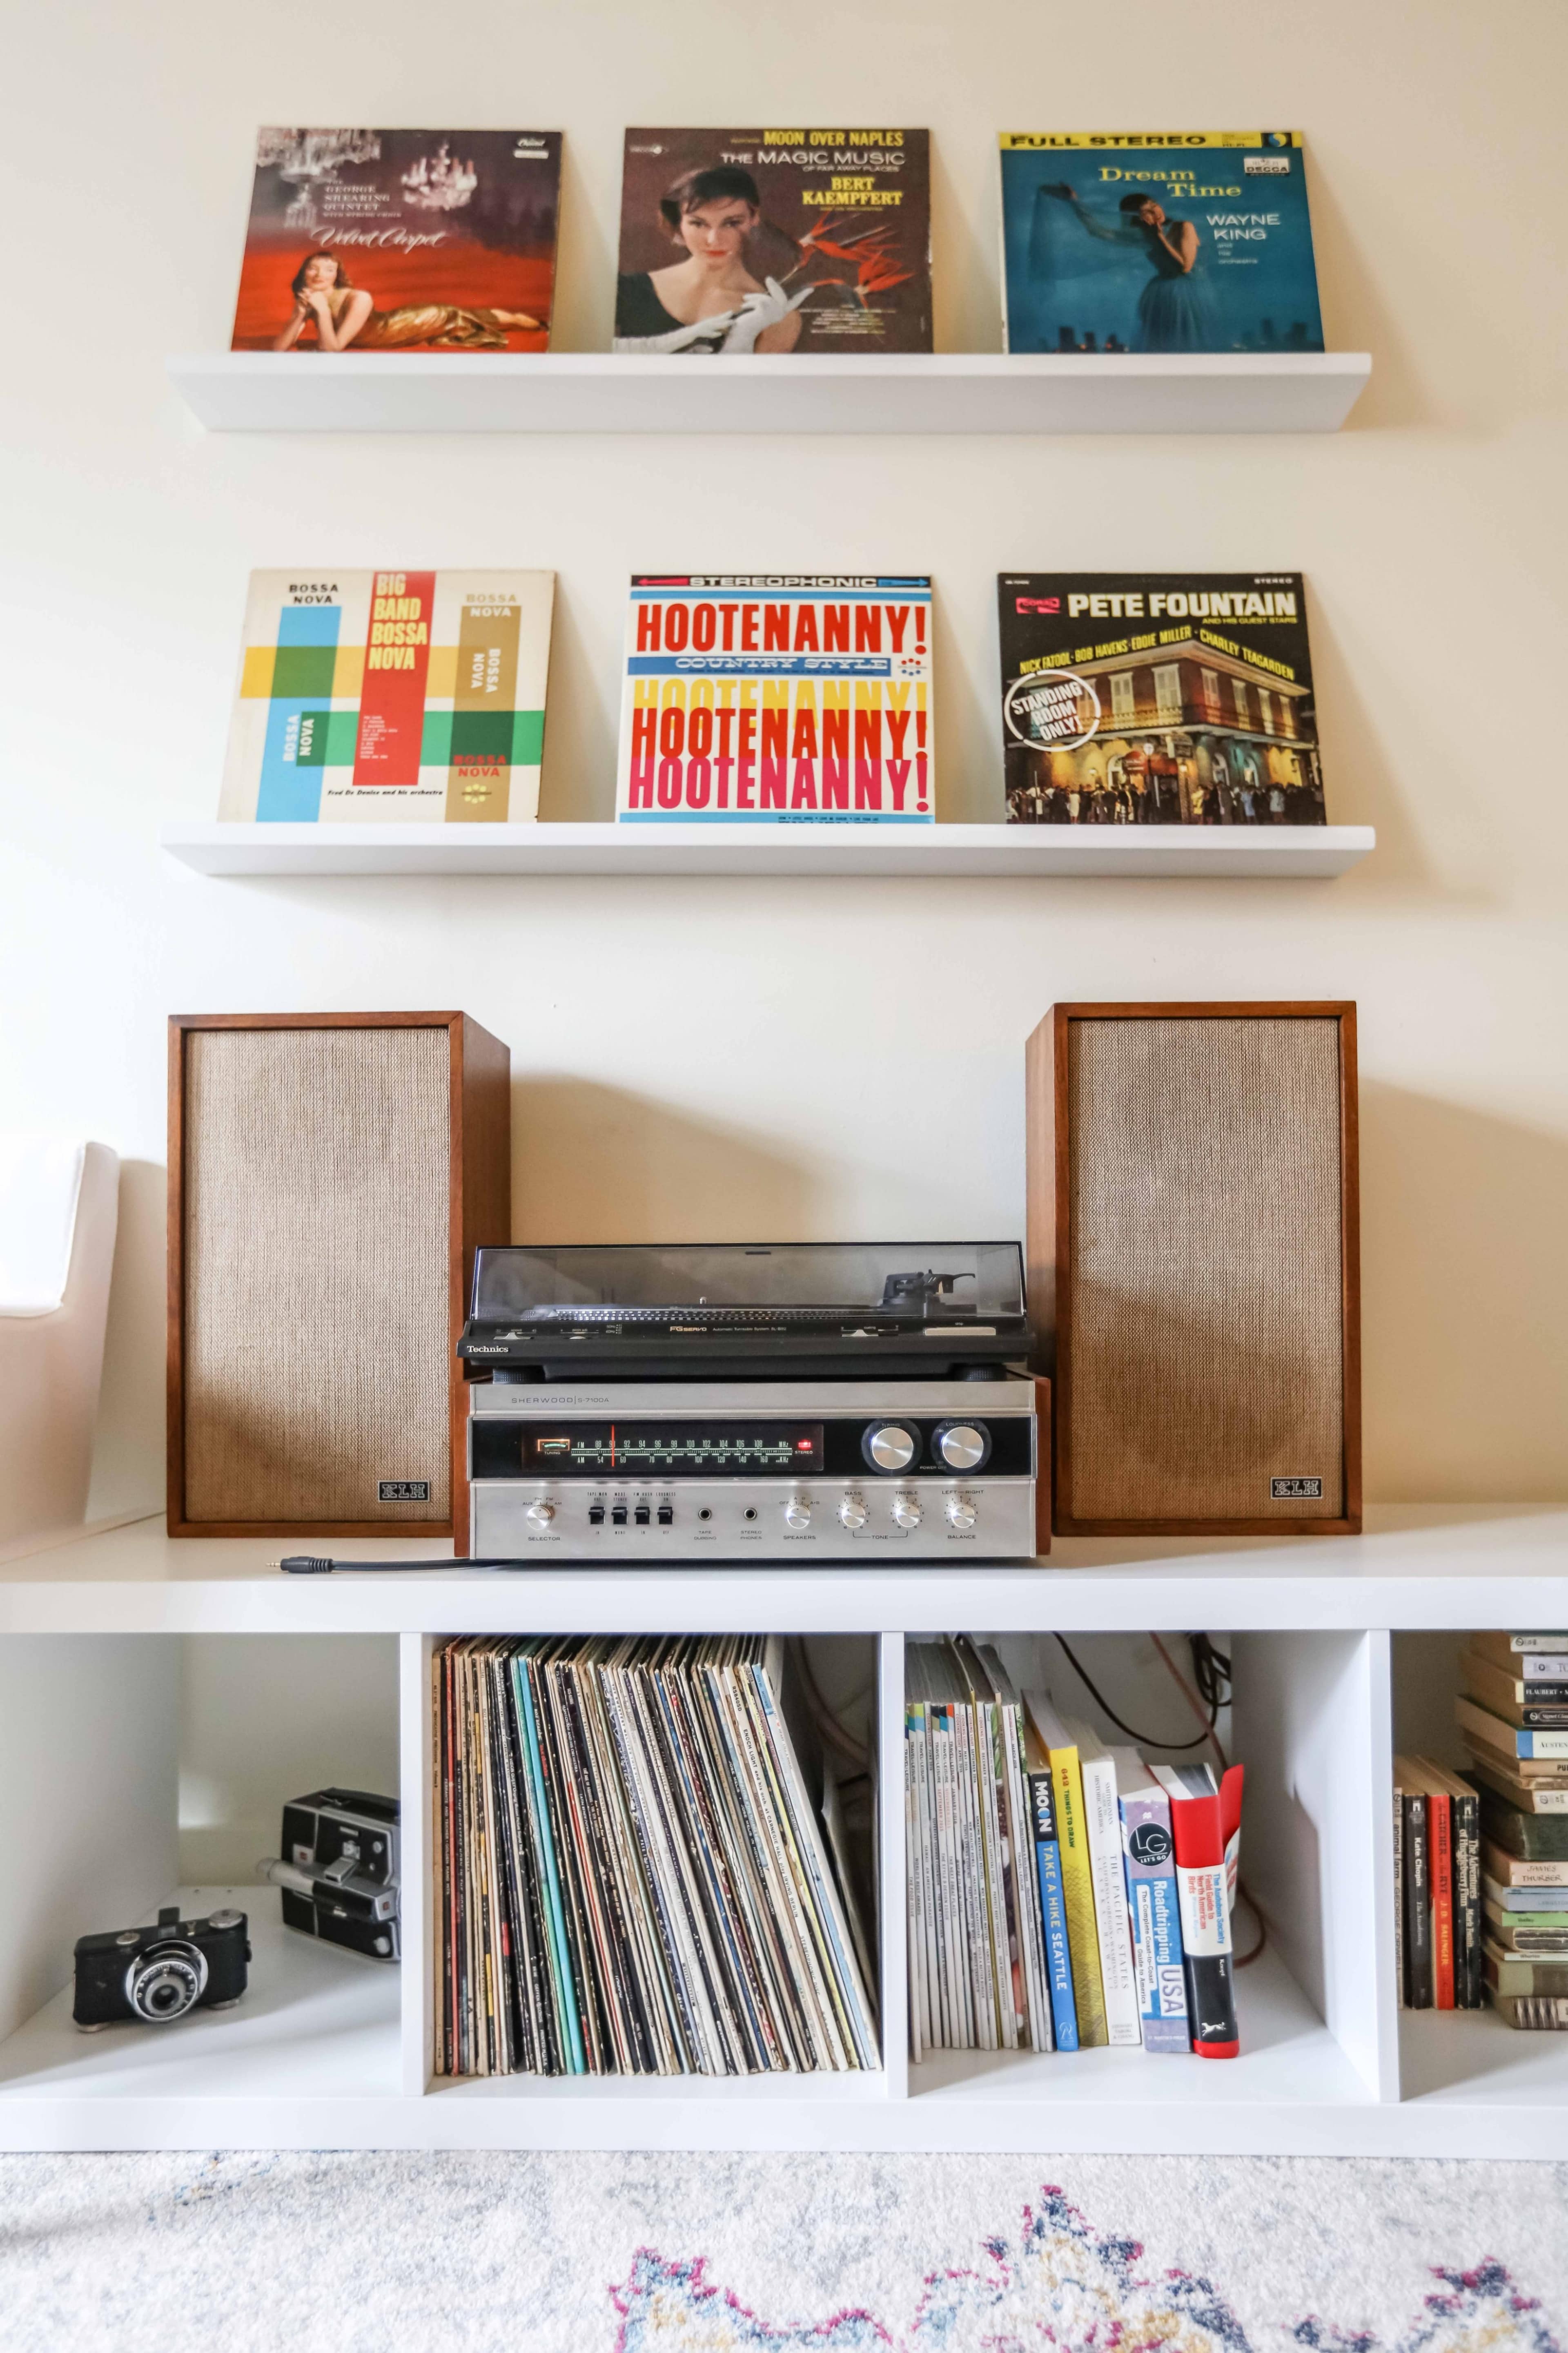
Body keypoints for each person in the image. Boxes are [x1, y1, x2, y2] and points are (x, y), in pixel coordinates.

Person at [615, 165, 809, 353]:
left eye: (732, 223)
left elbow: (749, 387)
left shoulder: (778, 316)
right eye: (698, 224)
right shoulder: (625, 289)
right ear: (679, 223)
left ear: (754, 217)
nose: (714, 240)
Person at [1035, 182, 1221, 353]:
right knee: (1161, 342)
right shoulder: (1143, 235)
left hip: (1189, 293)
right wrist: (1074, 202)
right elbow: (1098, 231)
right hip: (1163, 296)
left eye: (1154, 205)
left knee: (1191, 341)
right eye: (1146, 212)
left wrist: (1159, 238)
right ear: (1136, 218)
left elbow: (1183, 268)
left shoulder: (1183, 227)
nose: (1155, 212)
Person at [270, 251, 541, 351]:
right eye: (313, 268)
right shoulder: (309, 299)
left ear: (337, 275)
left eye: (328, 269)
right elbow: (279, 349)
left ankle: (539, 324)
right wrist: (299, 315)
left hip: (422, 319)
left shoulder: (359, 298)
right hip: (400, 321)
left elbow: (334, 349)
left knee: (483, 319)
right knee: (477, 316)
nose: (319, 274)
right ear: (304, 272)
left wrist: (322, 314)